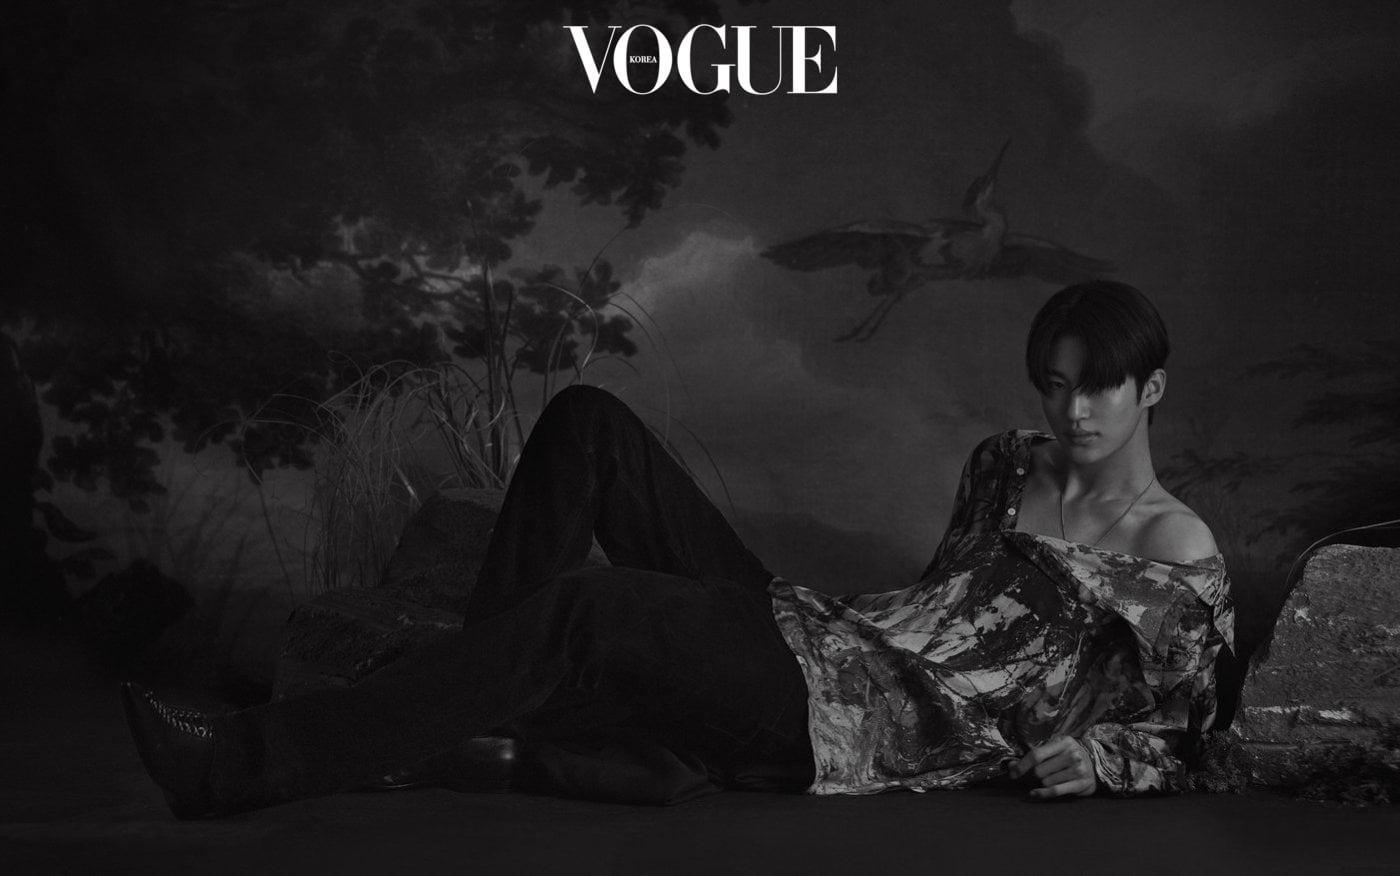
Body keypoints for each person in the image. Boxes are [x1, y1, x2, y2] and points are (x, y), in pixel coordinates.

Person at [122, 281, 1234, 818]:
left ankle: (240, 763)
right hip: (825, 635)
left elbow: (1198, 738)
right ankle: (484, 700)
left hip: (853, 722)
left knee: (596, 607)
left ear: (1150, 390)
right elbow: (935, 606)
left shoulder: (1173, 552)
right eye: (1055, 384)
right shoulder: (1005, 463)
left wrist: (1099, 761)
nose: (1072, 410)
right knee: (587, 424)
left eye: (1098, 388)